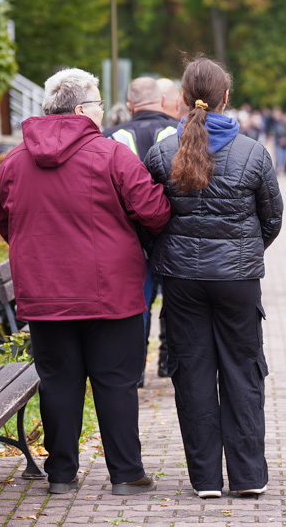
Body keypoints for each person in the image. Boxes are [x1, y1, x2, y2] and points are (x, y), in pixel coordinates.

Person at [0, 68, 170, 496]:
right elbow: (154, 211)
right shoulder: (111, 155)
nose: (104, 113)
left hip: (45, 293)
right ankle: (126, 474)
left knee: (59, 381)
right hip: (111, 292)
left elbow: (3, 221)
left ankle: (61, 473)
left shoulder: (14, 163)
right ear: (81, 110)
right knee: (116, 382)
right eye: (99, 106)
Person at [144, 57, 283, 499]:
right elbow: (272, 218)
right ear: (226, 97)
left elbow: (147, 216)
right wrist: (245, 252)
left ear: (183, 99)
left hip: (182, 280)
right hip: (237, 282)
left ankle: (205, 480)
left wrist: (166, 252)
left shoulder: (162, 153)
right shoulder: (253, 152)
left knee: (194, 373)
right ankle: (248, 477)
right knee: (244, 372)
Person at [103, 77, 181, 384]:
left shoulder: (109, 137)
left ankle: (135, 372)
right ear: (162, 102)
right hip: (175, 236)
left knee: (139, 304)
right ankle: (168, 362)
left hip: (130, 239)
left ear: (130, 106)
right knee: (175, 302)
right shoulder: (180, 134)